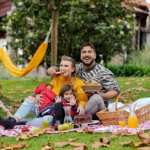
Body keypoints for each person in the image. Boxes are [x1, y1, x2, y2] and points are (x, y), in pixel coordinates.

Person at [0, 56, 87, 129]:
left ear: (73, 69)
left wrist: (81, 105)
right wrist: (38, 96)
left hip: (57, 114)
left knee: (49, 120)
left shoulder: (79, 83)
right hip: (46, 108)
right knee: (30, 99)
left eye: (66, 66)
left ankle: (23, 122)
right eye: (61, 65)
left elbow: (83, 100)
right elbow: (46, 92)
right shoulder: (56, 79)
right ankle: (13, 120)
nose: (62, 68)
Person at [47, 42, 120, 119]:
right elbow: (61, 69)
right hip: (79, 108)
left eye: (89, 52)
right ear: (81, 56)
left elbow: (116, 93)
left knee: (96, 98)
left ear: (94, 55)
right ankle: (68, 116)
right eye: (84, 52)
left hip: (99, 109)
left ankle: (70, 117)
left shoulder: (103, 72)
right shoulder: (77, 68)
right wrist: (51, 69)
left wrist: (100, 95)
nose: (86, 54)